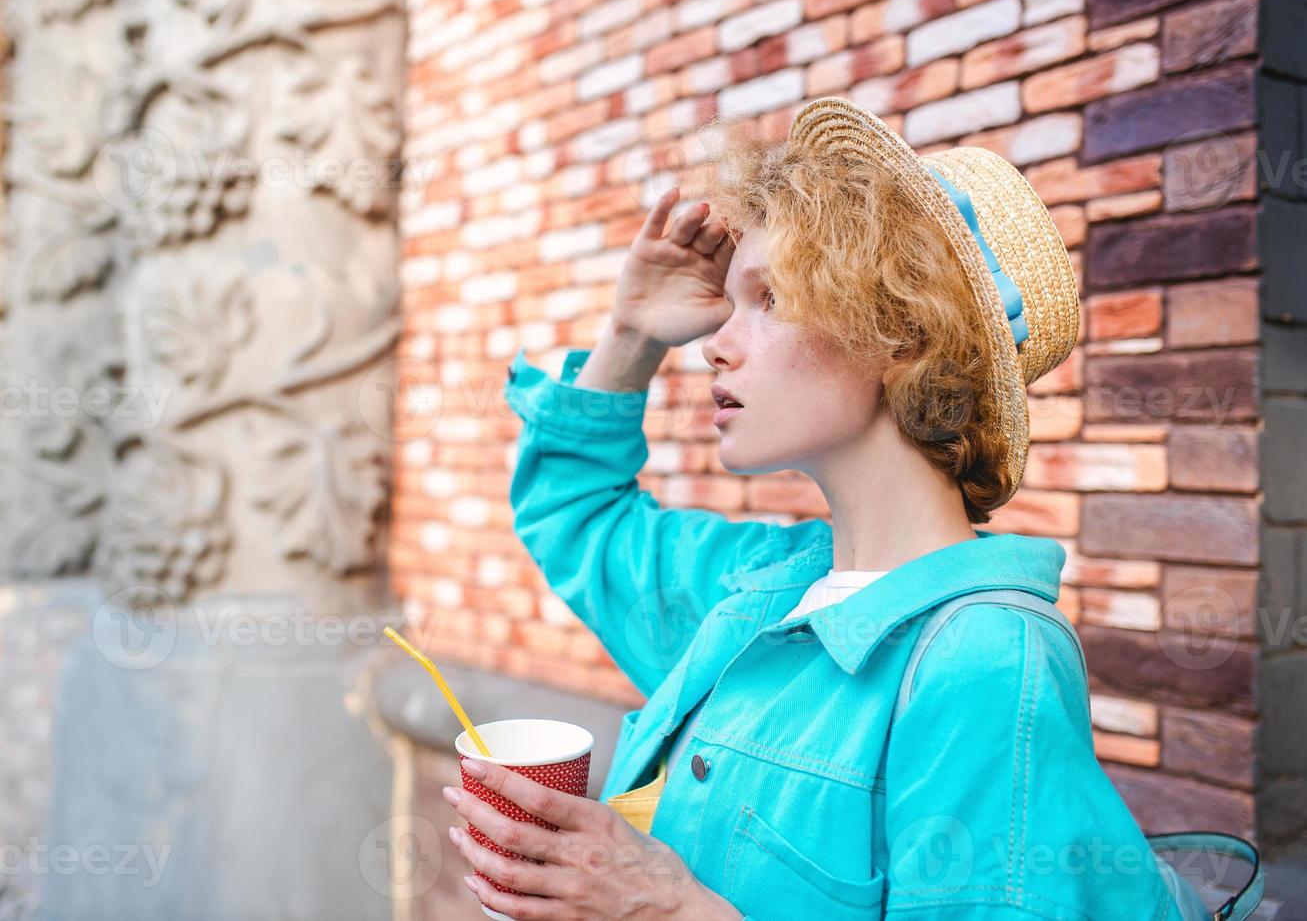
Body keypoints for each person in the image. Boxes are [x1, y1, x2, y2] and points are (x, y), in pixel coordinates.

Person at [441, 96, 1212, 920]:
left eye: (769, 298)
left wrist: (668, 910)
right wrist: (631, 335)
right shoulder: (756, 592)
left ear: (902, 334)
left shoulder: (988, 662)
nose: (715, 342)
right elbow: (579, 517)